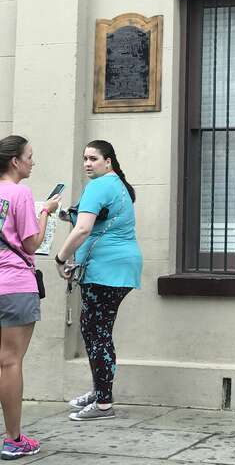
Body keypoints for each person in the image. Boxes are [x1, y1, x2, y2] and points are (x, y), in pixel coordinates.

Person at [54, 140, 142, 421]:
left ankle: (103, 404)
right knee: (95, 330)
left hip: (106, 270)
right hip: (119, 269)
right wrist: (62, 213)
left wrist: (60, 258)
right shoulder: (117, 185)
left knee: (96, 332)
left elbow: (83, 229)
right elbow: (97, 219)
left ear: (108, 161)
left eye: (93, 158)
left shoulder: (99, 186)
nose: (87, 164)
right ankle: (99, 392)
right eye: (85, 159)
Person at [0, 135, 61, 460]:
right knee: (10, 361)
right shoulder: (20, 193)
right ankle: (13, 439)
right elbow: (31, 243)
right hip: (14, 284)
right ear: (15, 161)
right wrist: (46, 211)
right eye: (29, 156)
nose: (32, 162)